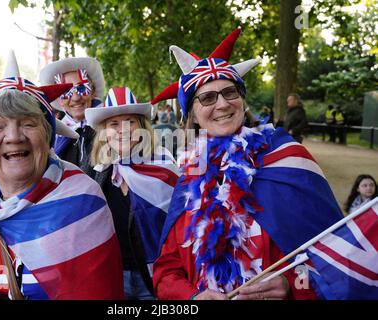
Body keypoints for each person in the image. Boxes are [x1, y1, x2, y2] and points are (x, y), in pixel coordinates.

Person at [152, 28, 343, 300]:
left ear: (242, 101)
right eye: (207, 97)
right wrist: (192, 298)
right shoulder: (189, 178)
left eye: (230, 92)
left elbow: (334, 255)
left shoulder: (289, 159)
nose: (222, 104)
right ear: (192, 115)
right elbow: (165, 271)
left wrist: (292, 285)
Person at [0, 77, 124, 300]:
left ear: (48, 136)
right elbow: (0, 277)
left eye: (28, 123)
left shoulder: (81, 201)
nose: (13, 137)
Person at [85, 87, 179, 299]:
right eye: (114, 124)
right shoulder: (98, 172)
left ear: (142, 127)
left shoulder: (165, 167)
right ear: (104, 132)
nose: (122, 130)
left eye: (130, 121)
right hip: (112, 276)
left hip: (157, 277)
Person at [39, 57, 105, 179]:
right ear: (58, 98)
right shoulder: (52, 136)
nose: (75, 98)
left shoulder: (111, 127)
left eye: (81, 88)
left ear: (93, 91)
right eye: (66, 92)